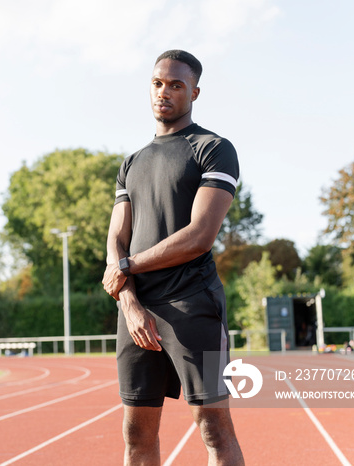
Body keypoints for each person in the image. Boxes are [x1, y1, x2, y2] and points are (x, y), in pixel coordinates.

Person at [102, 50, 244, 465]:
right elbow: (116, 237)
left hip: (194, 303)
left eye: (176, 85)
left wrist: (126, 267)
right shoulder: (132, 162)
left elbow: (199, 236)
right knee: (136, 434)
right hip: (137, 313)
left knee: (214, 428)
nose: (165, 92)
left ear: (194, 92)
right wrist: (128, 302)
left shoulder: (214, 148)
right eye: (158, 83)